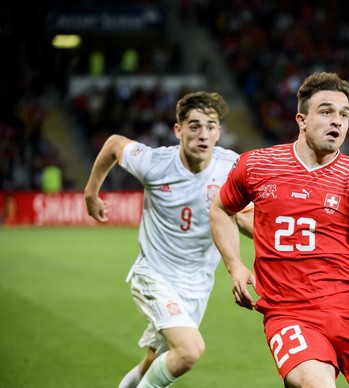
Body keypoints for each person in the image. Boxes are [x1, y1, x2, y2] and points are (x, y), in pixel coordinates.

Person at [209, 72, 349, 388]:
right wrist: (235, 265)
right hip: (289, 313)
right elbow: (222, 209)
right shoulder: (258, 166)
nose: (337, 121)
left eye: (344, 115)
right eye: (326, 111)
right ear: (301, 120)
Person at [84, 91, 253, 388]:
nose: (203, 134)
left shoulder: (232, 167)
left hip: (197, 285)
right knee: (189, 351)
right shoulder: (155, 163)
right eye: (195, 126)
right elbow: (113, 144)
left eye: (211, 126)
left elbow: (244, 216)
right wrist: (90, 194)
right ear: (178, 130)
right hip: (155, 274)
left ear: (219, 132)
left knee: (156, 360)